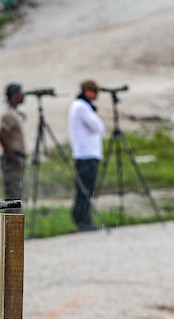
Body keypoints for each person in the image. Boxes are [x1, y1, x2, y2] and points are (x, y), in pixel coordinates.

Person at [67, 79, 106, 232]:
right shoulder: (81, 107)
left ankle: (83, 217)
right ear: (87, 91)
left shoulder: (82, 106)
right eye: (95, 91)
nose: (97, 95)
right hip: (86, 153)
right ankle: (82, 218)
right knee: (85, 188)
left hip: (87, 152)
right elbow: (98, 126)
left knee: (87, 188)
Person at [0, 82, 26, 201]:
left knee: (16, 194)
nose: (23, 96)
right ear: (14, 95)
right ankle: (11, 219)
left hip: (16, 157)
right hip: (13, 159)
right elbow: (1, 135)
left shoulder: (14, 113)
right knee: (13, 196)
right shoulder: (9, 115)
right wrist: (12, 156)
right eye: (20, 93)